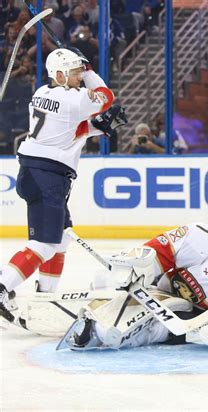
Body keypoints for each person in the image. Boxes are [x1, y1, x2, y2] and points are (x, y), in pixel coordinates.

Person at [0, 48, 127, 323]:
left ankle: (44, 299)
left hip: (39, 173)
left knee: (60, 240)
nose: (80, 76)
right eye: (74, 72)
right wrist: (92, 70)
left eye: (81, 72)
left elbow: (71, 130)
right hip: (47, 177)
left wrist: (98, 126)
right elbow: (107, 97)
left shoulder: (42, 94)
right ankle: (3, 287)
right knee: (45, 244)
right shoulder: (76, 98)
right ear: (59, 74)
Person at [58, 217, 208, 352]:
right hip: (158, 291)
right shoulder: (198, 234)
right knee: (111, 284)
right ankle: (92, 313)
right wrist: (138, 269)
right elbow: (158, 250)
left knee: (155, 330)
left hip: (191, 318)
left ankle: (100, 334)